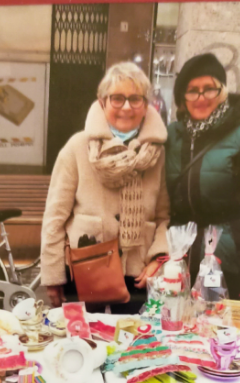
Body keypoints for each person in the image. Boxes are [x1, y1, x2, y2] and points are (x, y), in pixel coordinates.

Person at [41, 62, 170, 311]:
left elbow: (164, 216)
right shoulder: (78, 147)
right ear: (102, 102)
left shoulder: (157, 153)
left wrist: (158, 259)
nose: (126, 107)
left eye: (135, 99)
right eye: (117, 98)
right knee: (84, 334)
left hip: (138, 272)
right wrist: (53, 276)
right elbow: (54, 217)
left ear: (146, 106)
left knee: (133, 335)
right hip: (85, 269)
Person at [165, 53, 240, 300]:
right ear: (182, 97)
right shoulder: (172, 135)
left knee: (217, 322)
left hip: (226, 258)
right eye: (192, 90)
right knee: (174, 320)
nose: (201, 98)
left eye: (209, 89)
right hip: (178, 256)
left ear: (222, 91)